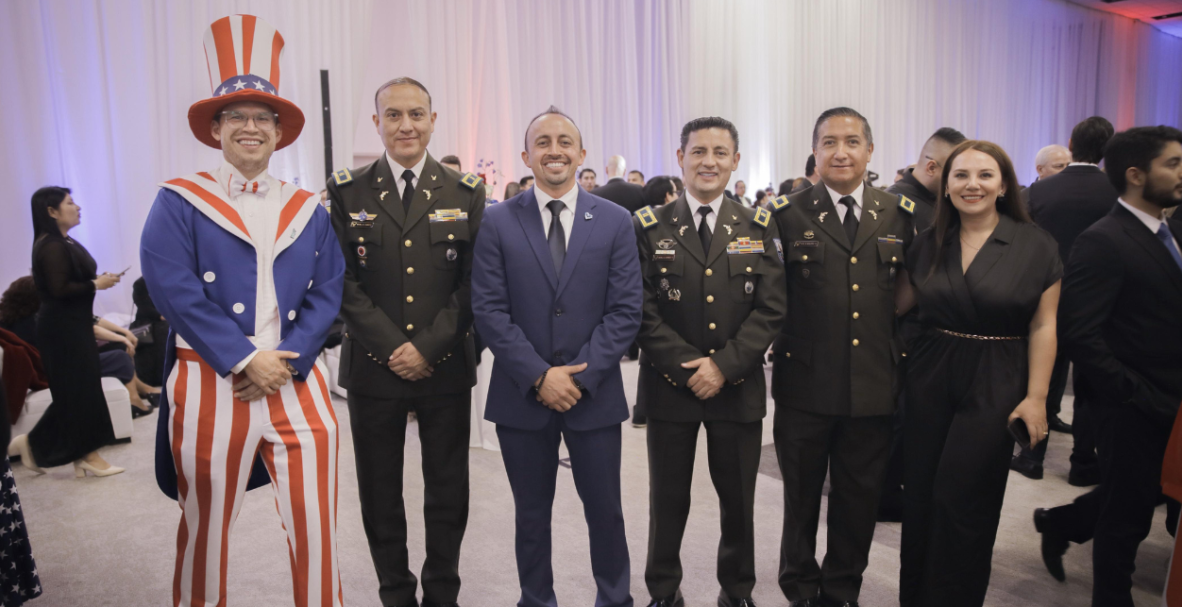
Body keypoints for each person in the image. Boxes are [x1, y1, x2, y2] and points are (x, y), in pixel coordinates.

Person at [139, 15, 345, 606]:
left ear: (279, 133)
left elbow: (327, 292)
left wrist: (287, 360)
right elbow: (172, 288)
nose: (250, 128)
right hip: (210, 380)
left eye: (262, 118)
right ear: (216, 128)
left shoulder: (308, 207)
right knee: (204, 529)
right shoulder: (178, 199)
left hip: (297, 381)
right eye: (237, 117)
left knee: (318, 528)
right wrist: (242, 358)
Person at [472, 106, 641, 607]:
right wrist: (539, 375)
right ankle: (536, 599)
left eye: (564, 141)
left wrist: (578, 377)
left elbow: (625, 310)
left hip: (594, 394)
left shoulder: (615, 221)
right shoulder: (498, 221)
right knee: (530, 513)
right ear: (526, 156)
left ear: (582, 153)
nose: (554, 150)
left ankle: (614, 598)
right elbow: (488, 309)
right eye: (542, 142)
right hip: (521, 394)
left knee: (605, 510)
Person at [326, 76, 484, 607]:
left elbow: (474, 284)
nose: (406, 125)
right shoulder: (347, 191)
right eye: (393, 115)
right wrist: (394, 347)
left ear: (434, 120)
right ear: (377, 124)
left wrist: (429, 347)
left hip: (445, 368)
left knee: (447, 490)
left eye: (416, 114)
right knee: (379, 491)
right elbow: (340, 281)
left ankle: (443, 592)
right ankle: (395, 592)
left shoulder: (466, 192)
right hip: (374, 367)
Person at [895, 140, 1059, 606]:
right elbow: (898, 305)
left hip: (997, 376)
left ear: (1004, 184)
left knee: (965, 498)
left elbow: (1045, 324)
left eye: (985, 175)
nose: (973, 185)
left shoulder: (1035, 244)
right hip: (929, 373)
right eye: (960, 175)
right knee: (922, 496)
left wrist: (1037, 397)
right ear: (945, 186)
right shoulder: (927, 242)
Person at [636, 116, 785, 607]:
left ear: (736, 161)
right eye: (698, 151)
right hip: (669, 387)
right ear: (680, 159)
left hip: (736, 387)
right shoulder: (649, 225)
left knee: (739, 502)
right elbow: (641, 309)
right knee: (668, 500)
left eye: (720, 153)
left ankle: (737, 591)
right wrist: (690, 366)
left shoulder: (758, 225)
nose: (709, 162)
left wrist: (723, 366)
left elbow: (771, 307)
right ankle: (663, 591)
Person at [769, 107, 913, 607]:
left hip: (873, 383)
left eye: (852, 142)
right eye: (829, 142)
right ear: (815, 151)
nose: (841, 151)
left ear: (870, 151)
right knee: (801, 498)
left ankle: (842, 590)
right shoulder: (785, 215)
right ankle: (800, 588)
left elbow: (910, 297)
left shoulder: (898, 214)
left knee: (859, 500)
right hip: (804, 384)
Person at [1034, 126, 1182, 607]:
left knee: (1143, 494)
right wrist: (1134, 394)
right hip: (1131, 402)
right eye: (1174, 164)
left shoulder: (1164, 232)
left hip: (1165, 397)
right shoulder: (1105, 239)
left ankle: (1063, 523)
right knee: (1128, 517)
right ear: (1137, 175)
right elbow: (1082, 334)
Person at [1010, 116, 1116, 482]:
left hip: (1044, 296)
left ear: (1071, 143)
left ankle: (1032, 456)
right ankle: (1083, 462)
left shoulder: (1039, 191)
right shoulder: (1116, 190)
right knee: (1089, 382)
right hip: (1100, 303)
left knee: (1041, 374)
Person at [878, 126, 967, 522]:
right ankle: (882, 494)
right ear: (933, 166)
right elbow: (893, 280)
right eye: (958, 173)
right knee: (897, 419)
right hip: (903, 330)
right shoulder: (897, 205)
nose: (963, 184)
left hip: (924, 332)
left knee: (912, 418)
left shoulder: (931, 203)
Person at [9, 186, 125, 479]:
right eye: (70, 203)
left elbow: (71, 281)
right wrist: (95, 285)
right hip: (61, 331)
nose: (78, 207)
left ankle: (36, 445)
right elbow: (59, 290)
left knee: (80, 391)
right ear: (52, 212)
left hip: (73, 326)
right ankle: (88, 455)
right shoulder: (50, 245)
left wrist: (98, 280)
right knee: (79, 393)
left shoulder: (64, 241)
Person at [887, 127, 967, 232]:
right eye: (958, 174)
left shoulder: (949, 200)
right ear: (931, 168)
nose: (965, 182)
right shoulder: (892, 205)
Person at [131, 276, 170, 388]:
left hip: (164, 321)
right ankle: (148, 382)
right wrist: (161, 316)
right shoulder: (140, 283)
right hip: (146, 322)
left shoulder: (169, 279)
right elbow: (142, 305)